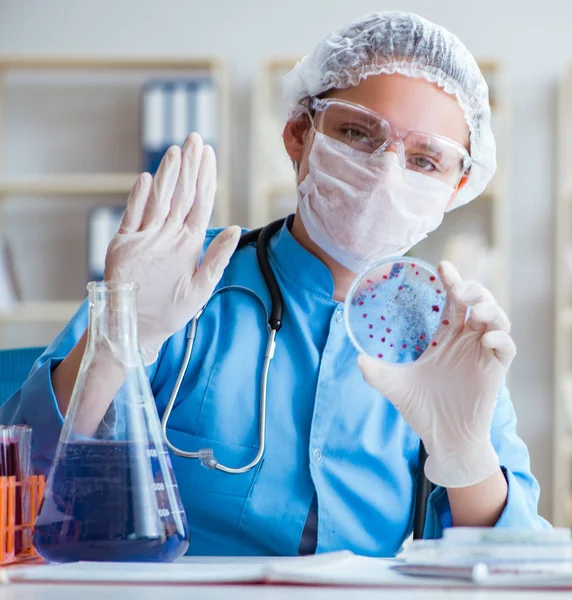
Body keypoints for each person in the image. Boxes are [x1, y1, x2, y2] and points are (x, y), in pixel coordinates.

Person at [0, 11, 550, 556]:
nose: (386, 172)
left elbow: (507, 561)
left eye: (425, 160)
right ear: (297, 134)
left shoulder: (451, 345)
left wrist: (466, 453)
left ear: (457, 187)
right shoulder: (181, 283)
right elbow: (22, 479)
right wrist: (121, 336)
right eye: (358, 133)